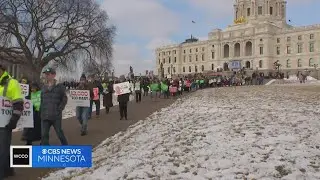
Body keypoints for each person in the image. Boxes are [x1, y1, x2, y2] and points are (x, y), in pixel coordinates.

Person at [0, 64, 24, 179]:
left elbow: (19, 104)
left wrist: (13, 121)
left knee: (2, 149)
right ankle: (9, 170)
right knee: (4, 148)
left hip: (5, 123)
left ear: (2, 70)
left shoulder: (12, 82)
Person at [40, 68, 68, 145]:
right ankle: (45, 151)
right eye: (46, 74)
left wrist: (60, 108)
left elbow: (64, 99)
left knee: (59, 133)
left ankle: (66, 147)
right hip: (45, 115)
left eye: (48, 74)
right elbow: (41, 99)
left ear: (54, 75)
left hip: (56, 115)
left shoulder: (60, 86)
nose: (46, 76)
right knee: (44, 135)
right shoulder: (43, 87)